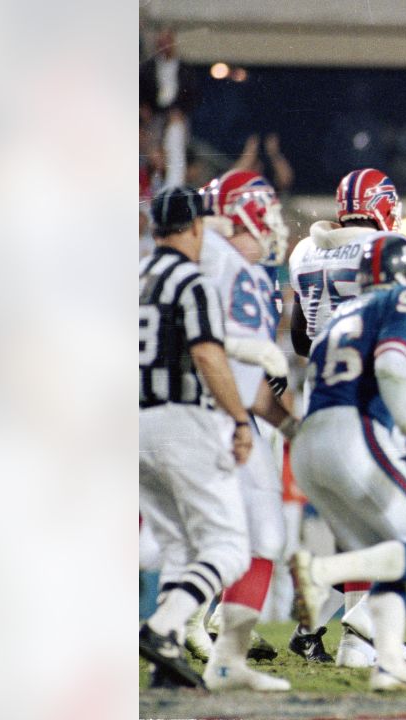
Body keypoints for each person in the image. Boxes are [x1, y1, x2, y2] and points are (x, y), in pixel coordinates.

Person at [285, 168, 406, 668]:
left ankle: (332, 634)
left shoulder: (306, 251)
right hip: (376, 401)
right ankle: (361, 618)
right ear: (384, 204)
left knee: (358, 522)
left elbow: (300, 338)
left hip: (319, 395)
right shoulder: (390, 250)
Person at [181, 170, 298, 691]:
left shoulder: (253, 276)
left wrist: (292, 424)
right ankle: (174, 626)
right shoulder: (212, 255)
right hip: (194, 412)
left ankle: (220, 653)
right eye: (264, 210)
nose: (273, 224)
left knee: (260, 535)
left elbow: (251, 387)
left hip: (233, 414)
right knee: (189, 538)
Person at [138, 186, 254, 689]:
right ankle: (163, 627)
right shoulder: (193, 281)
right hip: (181, 419)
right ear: (196, 227)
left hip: (131, 422)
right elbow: (208, 355)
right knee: (229, 548)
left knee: (178, 547)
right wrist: (240, 419)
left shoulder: (134, 278)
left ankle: (164, 662)